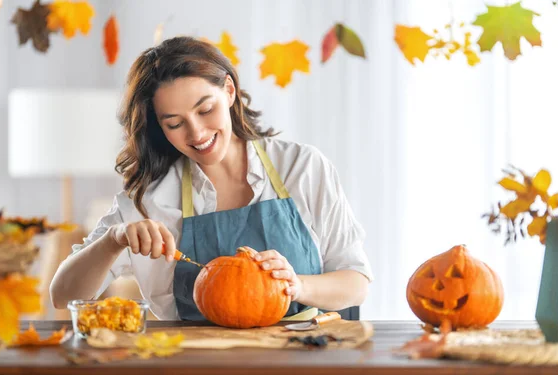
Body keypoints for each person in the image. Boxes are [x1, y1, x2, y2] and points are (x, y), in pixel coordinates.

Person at [49, 36, 373, 321]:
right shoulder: (151, 201)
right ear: (160, 127)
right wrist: (112, 240)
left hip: (308, 356)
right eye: (175, 123)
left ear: (229, 91)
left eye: (205, 110)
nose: (197, 133)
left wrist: (297, 284)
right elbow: (62, 296)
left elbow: (356, 283)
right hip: (196, 362)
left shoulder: (302, 167)